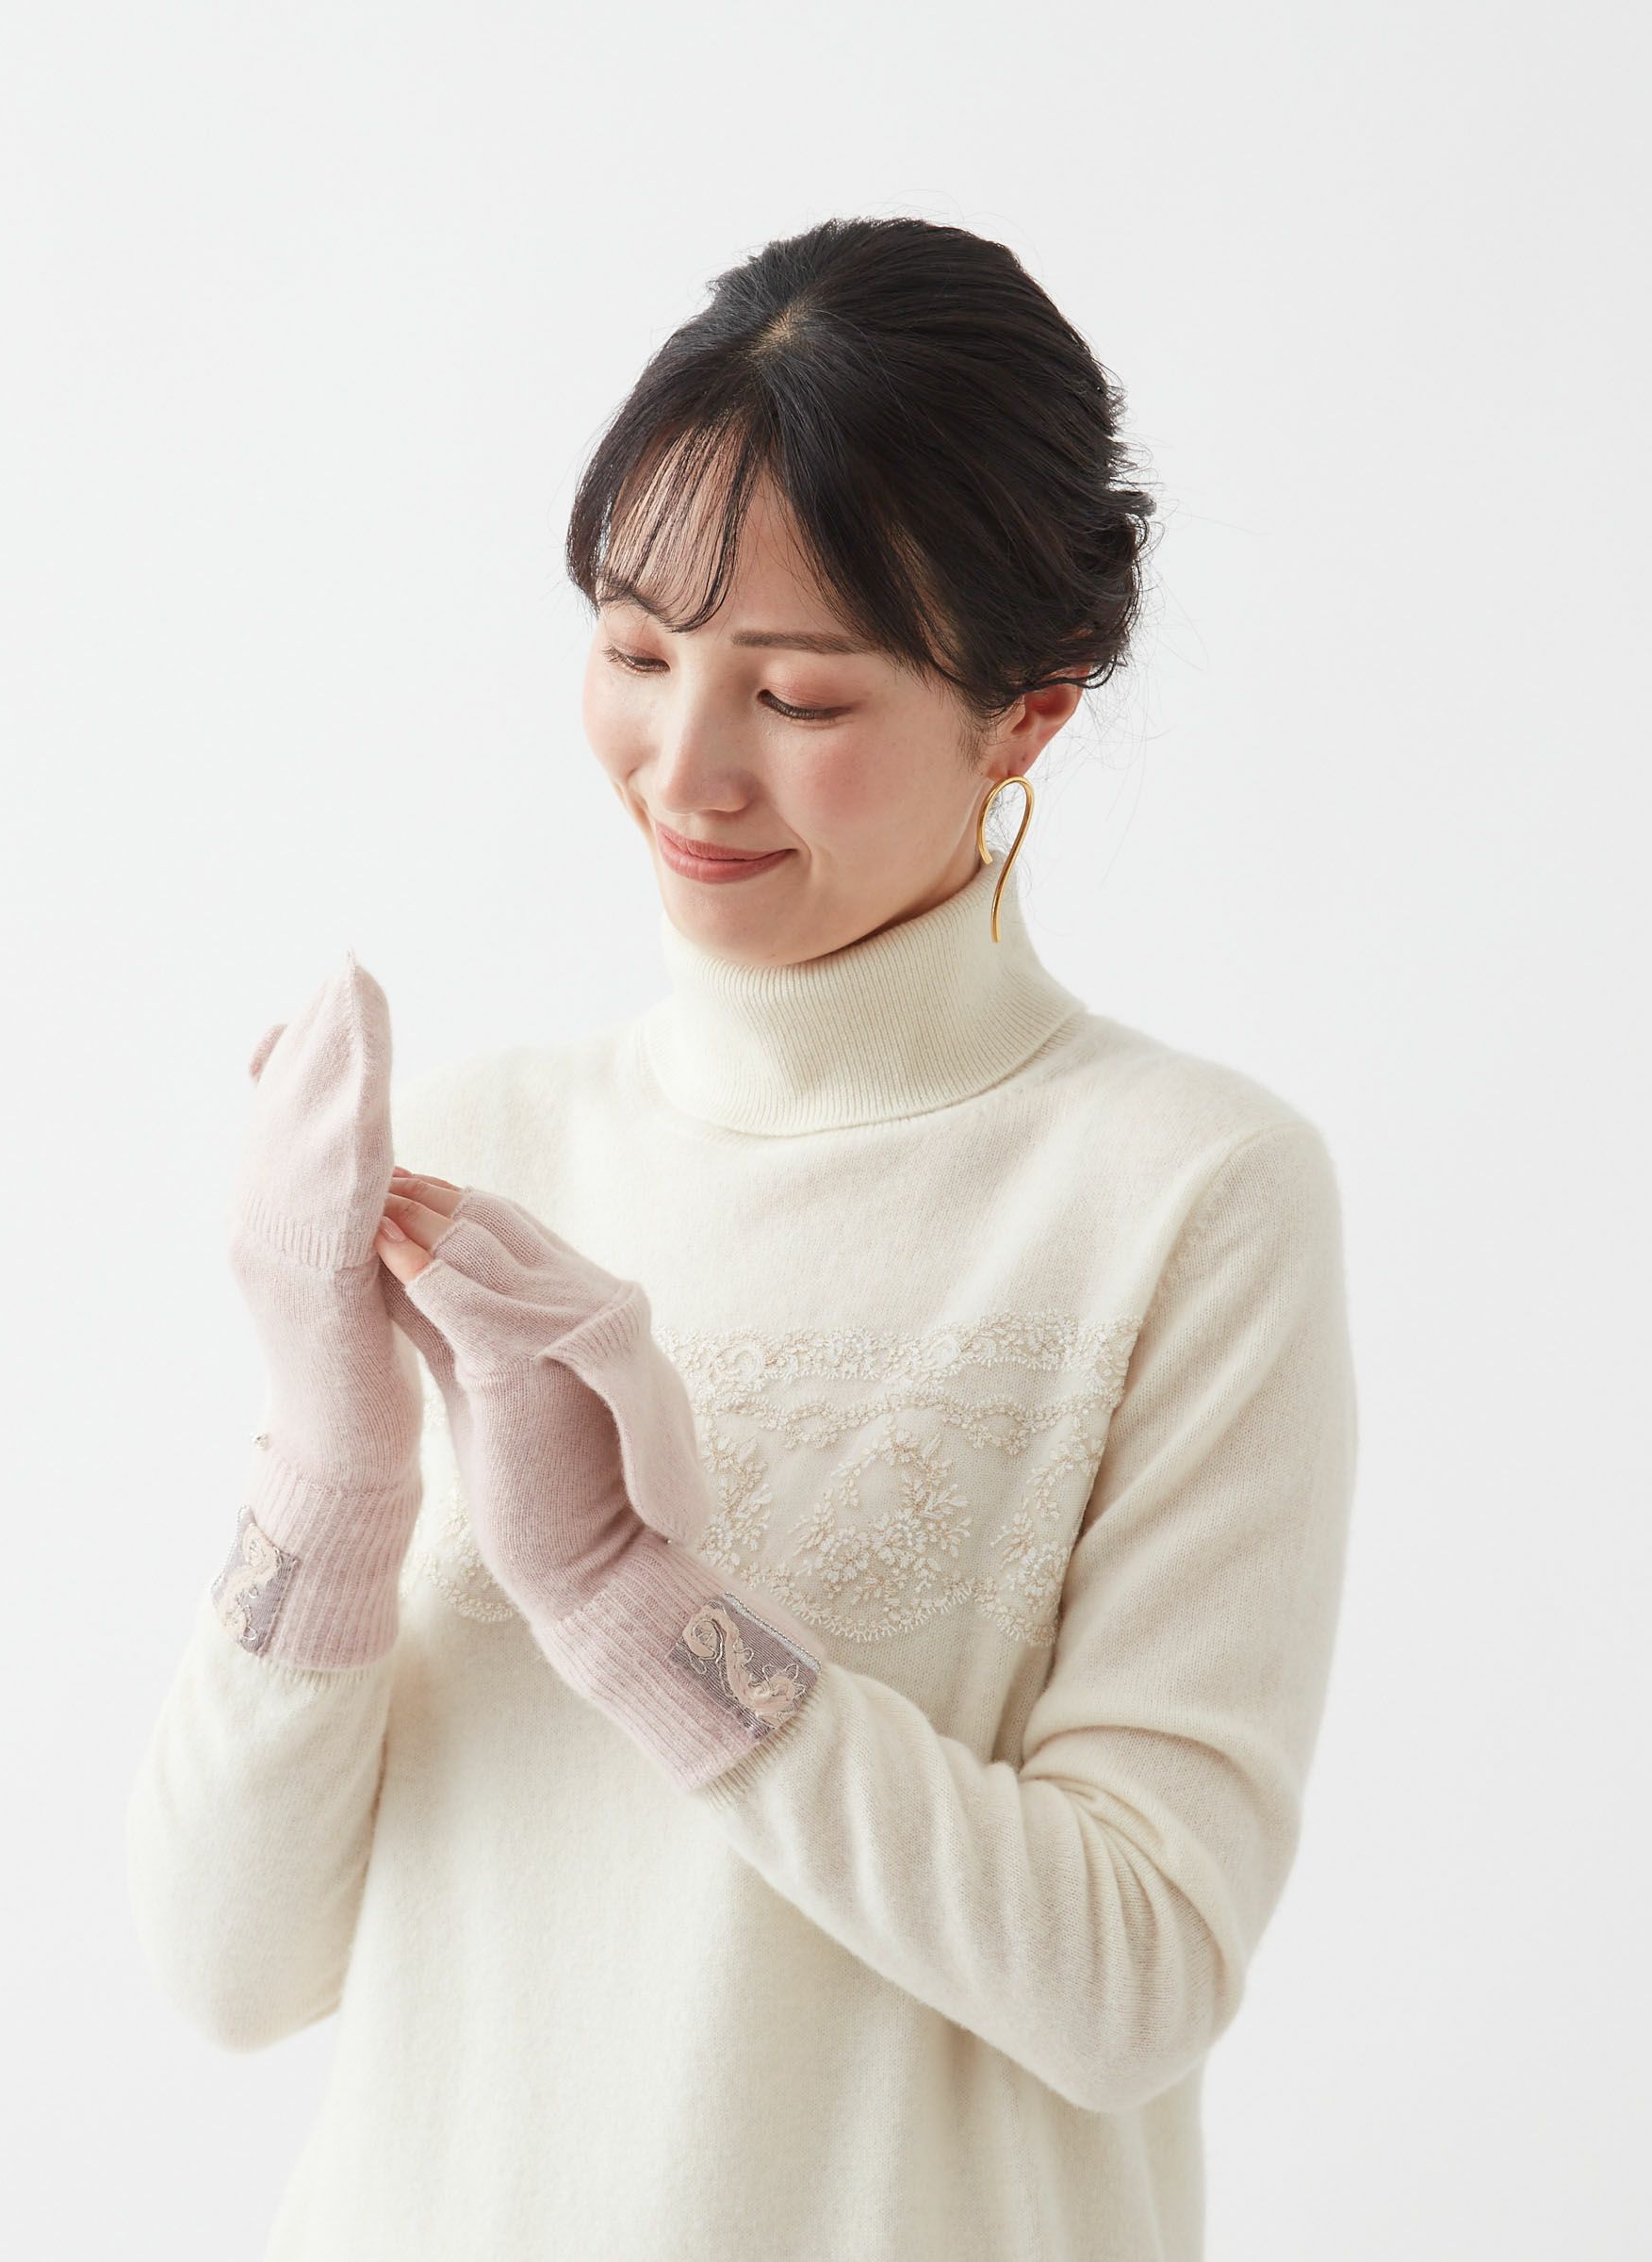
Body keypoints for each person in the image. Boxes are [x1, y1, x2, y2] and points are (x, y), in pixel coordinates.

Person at [125, 215, 1358, 2260]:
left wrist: (633, 1599)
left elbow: (1135, 1977)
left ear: (1029, 714)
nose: (684, 771)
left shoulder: (1183, 1195)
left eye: (794, 693)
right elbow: (228, 1971)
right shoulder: (477, 1154)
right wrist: (333, 1457)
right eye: (632, 654)